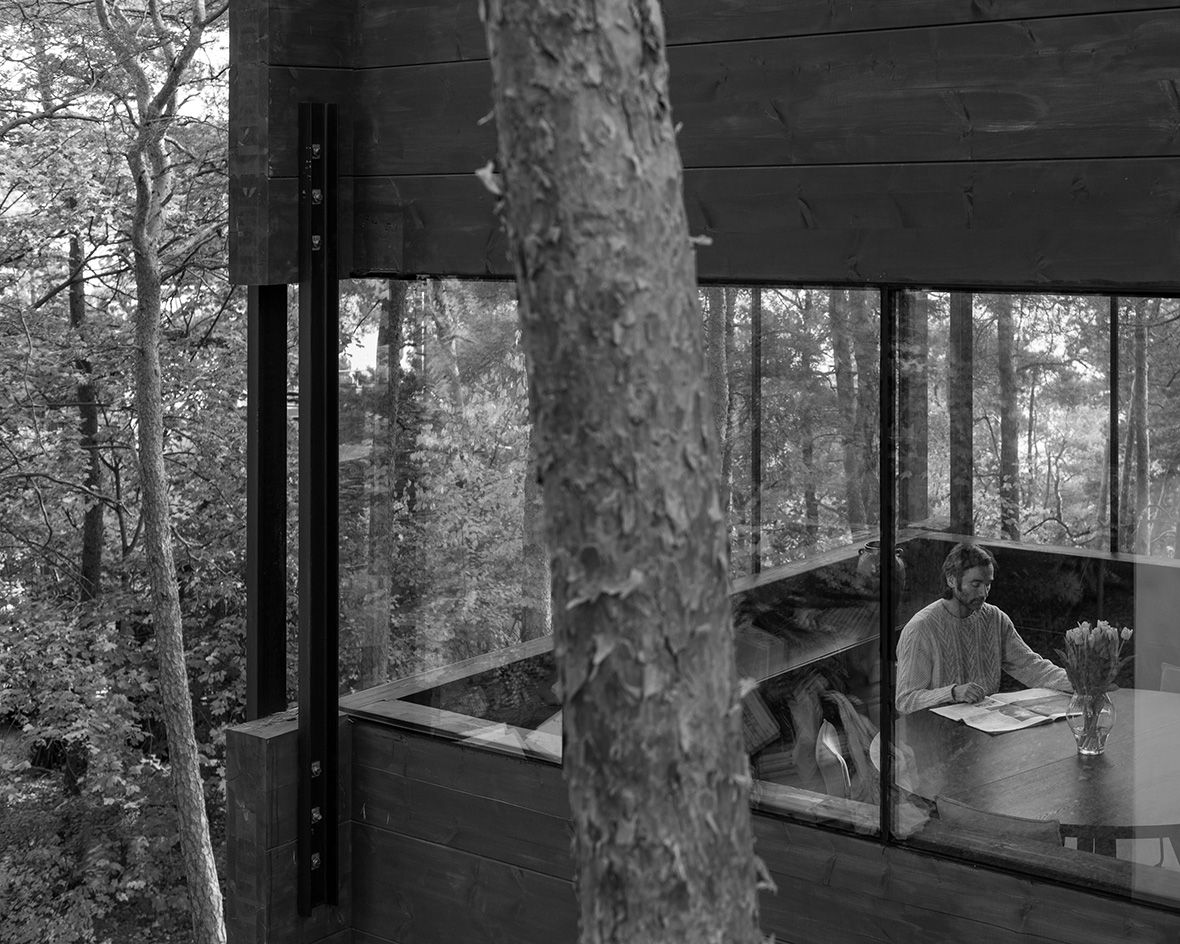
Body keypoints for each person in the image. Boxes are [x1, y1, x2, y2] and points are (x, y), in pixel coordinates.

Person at [895, 542, 1071, 714]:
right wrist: (953, 693)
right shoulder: (921, 628)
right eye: (976, 584)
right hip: (936, 731)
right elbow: (906, 701)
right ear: (951, 579)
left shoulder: (995, 618)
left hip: (988, 726)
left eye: (988, 584)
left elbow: (1032, 667)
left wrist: (1081, 682)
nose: (984, 593)